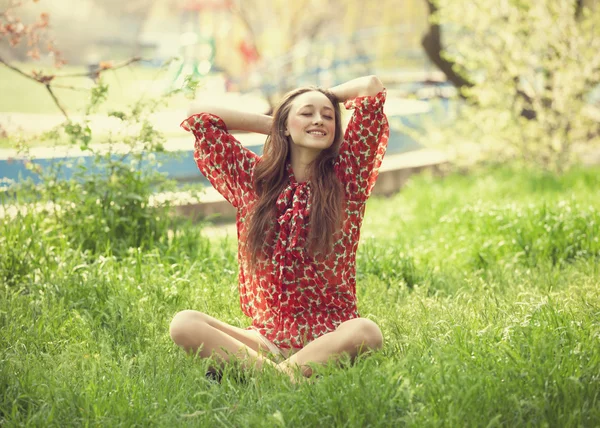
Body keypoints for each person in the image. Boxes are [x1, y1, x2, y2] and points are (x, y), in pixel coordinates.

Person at [170, 75, 389, 383]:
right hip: (267, 339)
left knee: (367, 331)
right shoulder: (254, 181)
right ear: (285, 125)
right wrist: (276, 124)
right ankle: (285, 377)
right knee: (183, 323)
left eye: (328, 116)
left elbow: (371, 87)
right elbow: (198, 115)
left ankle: (258, 375)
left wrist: (324, 94)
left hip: (332, 333)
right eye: (307, 113)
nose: (319, 120)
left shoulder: (349, 177)